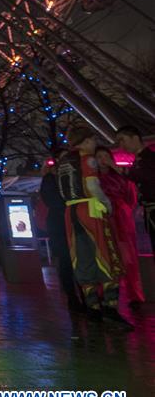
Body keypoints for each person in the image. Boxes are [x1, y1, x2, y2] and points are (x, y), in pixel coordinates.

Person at [56, 126, 132, 330]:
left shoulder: (63, 162)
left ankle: (93, 309)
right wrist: (106, 203)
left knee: (83, 259)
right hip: (90, 210)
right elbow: (92, 185)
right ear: (87, 140)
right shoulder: (87, 158)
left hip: (70, 213)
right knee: (107, 255)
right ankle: (111, 310)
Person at [95, 146, 144, 306]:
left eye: (105, 156)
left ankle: (134, 294)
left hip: (120, 217)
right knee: (105, 253)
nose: (102, 160)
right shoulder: (92, 178)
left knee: (127, 255)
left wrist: (124, 209)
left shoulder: (120, 175)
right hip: (102, 216)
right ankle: (105, 292)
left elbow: (131, 197)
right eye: (99, 156)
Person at [39, 157, 83, 311]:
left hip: (68, 223)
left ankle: (80, 296)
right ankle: (73, 296)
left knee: (73, 260)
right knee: (66, 261)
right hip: (61, 225)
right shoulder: (50, 181)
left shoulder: (63, 178)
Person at [115, 125, 155, 262]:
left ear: (135, 138)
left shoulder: (149, 157)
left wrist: (116, 167)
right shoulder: (139, 160)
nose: (121, 145)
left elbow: (145, 176)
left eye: (123, 140)